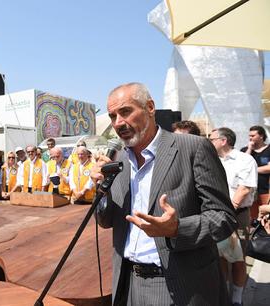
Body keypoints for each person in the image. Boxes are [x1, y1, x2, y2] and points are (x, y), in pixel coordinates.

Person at [92, 82, 237, 305]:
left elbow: (223, 217)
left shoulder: (194, 148)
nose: (118, 122)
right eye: (112, 116)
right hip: (127, 283)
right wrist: (101, 190)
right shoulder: (118, 160)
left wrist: (178, 229)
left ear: (150, 107)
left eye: (126, 111)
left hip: (179, 285)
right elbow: (106, 221)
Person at [210, 127, 257, 306]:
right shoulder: (213, 160)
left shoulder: (245, 159)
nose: (209, 141)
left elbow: (245, 188)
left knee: (238, 258)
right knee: (220, 255)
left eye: (211, 138)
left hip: (237, 215)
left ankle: (237, 299)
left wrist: (228, 209)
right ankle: (224, 293)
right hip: (216, 214)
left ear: (224, 141)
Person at [241, 125, 270, 219]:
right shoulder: (245, 150)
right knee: (252, 217)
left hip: (266, 190)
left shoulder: (269, 149)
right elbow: (242, 166)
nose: (250, 138)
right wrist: (249, 149)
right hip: (250, 191)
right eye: (249, 135)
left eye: (253, 136)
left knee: (266, 215)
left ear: (261, 136)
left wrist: (252, 170)